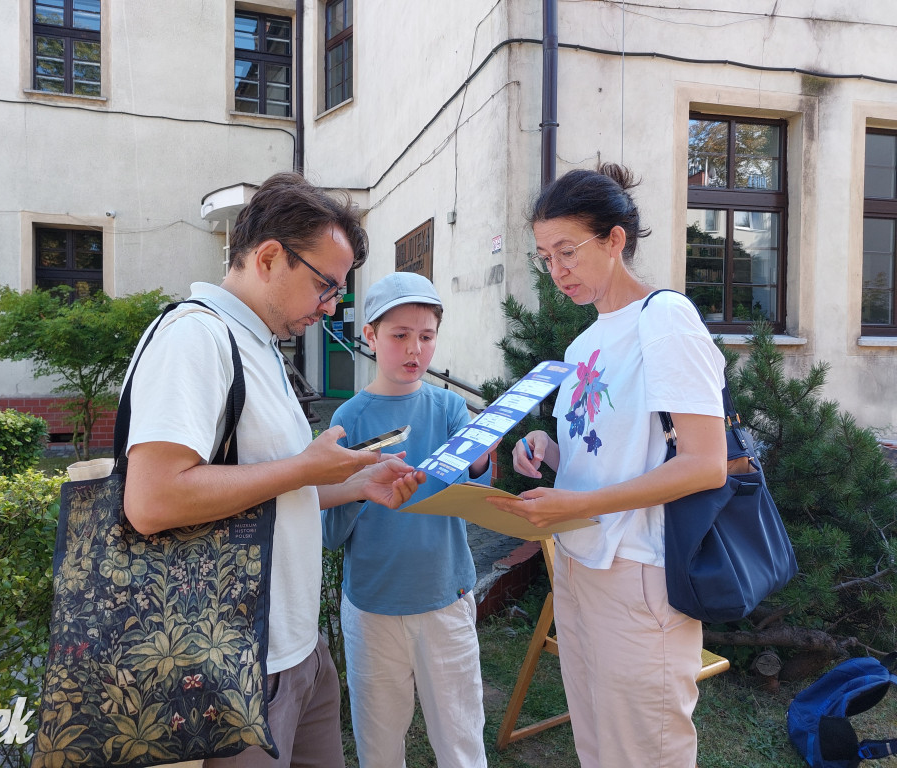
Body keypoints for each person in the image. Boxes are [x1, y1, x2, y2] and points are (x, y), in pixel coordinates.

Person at [121, 172, 425, 768]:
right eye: (325, 285)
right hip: (233, 663)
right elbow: (152, 500)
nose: (332, 305)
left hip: (295, 647)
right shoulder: (195, 337)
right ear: (268, 257)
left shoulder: (258, 344)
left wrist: (355, 485)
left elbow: (264, 491)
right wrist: (303, 467)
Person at [486, 163, 728, 768]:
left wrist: (583, 505)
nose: (556, 270)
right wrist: (547, 447)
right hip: (576, 562)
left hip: (635, 569)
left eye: (567, 251)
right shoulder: (584, 343)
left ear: (615, 239)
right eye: (545, 256)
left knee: (645, 752)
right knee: (597, 743)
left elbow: (705, 464)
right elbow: (606, 454)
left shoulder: (665, 319)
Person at [322, 271, 491, 768]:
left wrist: (482, 454)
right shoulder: (346, 421)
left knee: (461, 739)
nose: (415, 349)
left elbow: (474, 485)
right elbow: (329, 529)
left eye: (427, 336)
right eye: (400, 335)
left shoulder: (450, 408)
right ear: (371, 336)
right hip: (372, 607)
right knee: (378, 741)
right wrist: (360, 490)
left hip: (447, 600)